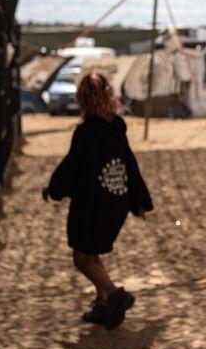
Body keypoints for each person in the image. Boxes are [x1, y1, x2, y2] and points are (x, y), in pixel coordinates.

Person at [43, 72, 152, 329]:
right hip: (116, 201)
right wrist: (139, 200)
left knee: (82, 259)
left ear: (82, 98)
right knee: (92, 254)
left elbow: (71, 167)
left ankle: (116, 295)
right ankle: (103, 305)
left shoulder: (86, 132)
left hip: (91, 204)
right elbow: (130, 165)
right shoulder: (117, 127)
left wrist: (53, 189)